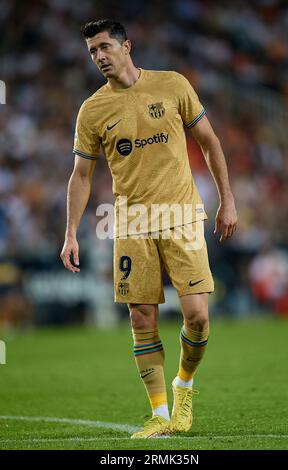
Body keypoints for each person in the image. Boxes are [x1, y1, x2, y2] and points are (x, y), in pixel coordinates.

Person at [60, 19, 237, 439]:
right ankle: (159, 412)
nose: (99, 56)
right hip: (132, 221)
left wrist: (227, 199)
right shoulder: (93, 109)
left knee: (197, 317)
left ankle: (184, 386)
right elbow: (80, 175)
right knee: (141, 317)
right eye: (92, 51)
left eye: (104, 47)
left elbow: (210, 142)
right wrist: (70, 232)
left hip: (181, 214)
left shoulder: (173, 85)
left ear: (127, 46)